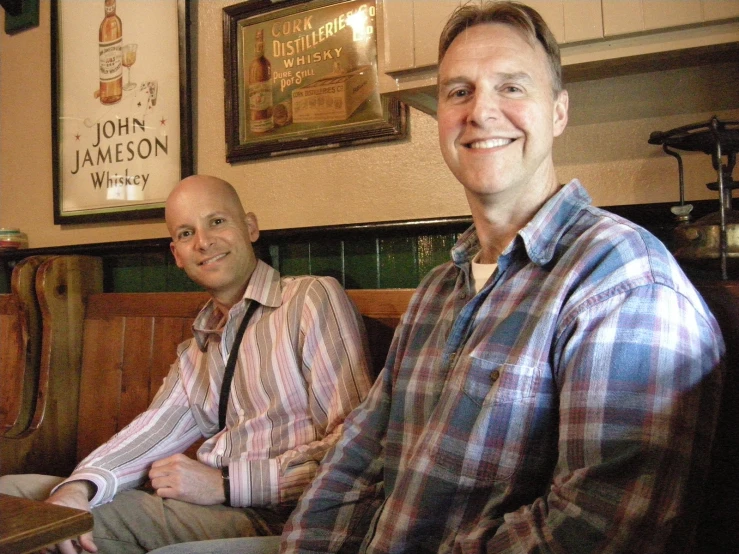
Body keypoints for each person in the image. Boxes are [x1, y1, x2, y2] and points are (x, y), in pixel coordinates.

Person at [277, 2, 725, 553]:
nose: (481, 111)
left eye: (512, 87)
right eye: (458, 91)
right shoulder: (436, 291)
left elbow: (599, 528)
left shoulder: (624, 279)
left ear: (558, 112)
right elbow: (354, 462)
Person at [0, 175, 373, 553]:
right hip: (210, 505)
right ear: (176, 254)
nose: (203, 242)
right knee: (11, 494)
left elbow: (359, 447)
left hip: (286, 516)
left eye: (217, 222)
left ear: (249, 227)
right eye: (185, 233)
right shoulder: (200, 343)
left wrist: (226, 484)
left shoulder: (309, 299)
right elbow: (153, 431)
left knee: (48, 528)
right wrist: (78, 488)